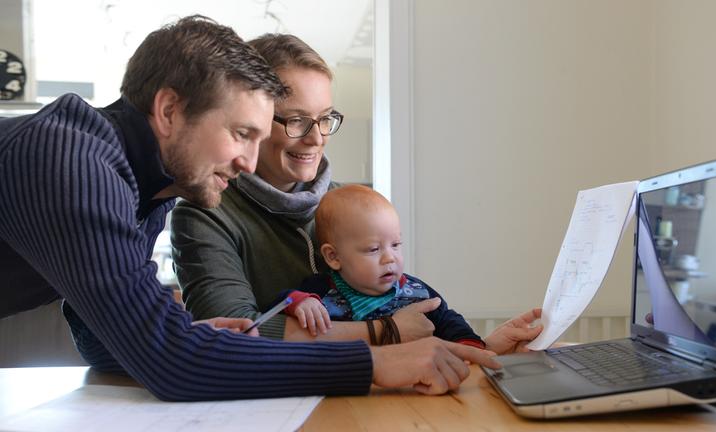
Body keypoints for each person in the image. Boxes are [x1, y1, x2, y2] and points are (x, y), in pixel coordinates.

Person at [0, 16, 501, 402]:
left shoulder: (147, 188)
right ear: (170, 111)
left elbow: (103, 340)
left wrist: (191, 337)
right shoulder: (70, 160)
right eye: (241, 133)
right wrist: (375, 363)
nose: (247, 161)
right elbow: (170, 367)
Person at [171, 33, 543, 354]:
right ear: (253, 118)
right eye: (297, 120)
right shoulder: (208, 213)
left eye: (325, 118)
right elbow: (233, 334)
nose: (317, 138)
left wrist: (483, 349)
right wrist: (384, 332)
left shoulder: (349, 204)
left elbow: (407, 307)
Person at [273, 184, 486, 348]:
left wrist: (468, 342)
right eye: (374, 249)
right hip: (352, 379)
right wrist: (300, 303)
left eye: (396, 245)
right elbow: (279, 306)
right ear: (333, 256)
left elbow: (447, 318)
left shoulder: (415, 290)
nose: (389, 258)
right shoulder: (320, 290)